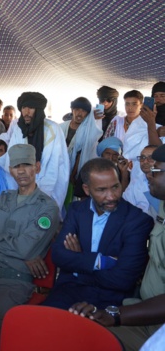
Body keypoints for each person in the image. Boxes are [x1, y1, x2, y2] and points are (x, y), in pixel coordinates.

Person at [69, 144, 165, 351]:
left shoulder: (136, 219)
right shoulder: (162, 207)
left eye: (156, 170)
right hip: (142, 310)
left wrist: (115, 314)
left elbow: (123, 277)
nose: (148, 173)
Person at [0, 144, 60, 351]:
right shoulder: (4, 199)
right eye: (16, 166)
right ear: (10, 170)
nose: (21, 171)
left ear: (37, 167)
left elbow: (25, 249)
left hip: (13, 282)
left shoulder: (47, 206)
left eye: (27, 165)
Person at [42, 158, 153, 310]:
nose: (111, 196)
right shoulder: (76, 210)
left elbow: (123, 279)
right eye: (101, 190)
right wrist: (100, 261)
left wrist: (77, 266)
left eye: (115, 187)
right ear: (87, 190)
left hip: (109, 300)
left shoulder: (138, 221)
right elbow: (58, 255)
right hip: (67, 292)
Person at [0, 91, 69, 209]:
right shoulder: (18, 128)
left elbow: (55, 164)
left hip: (46, 184)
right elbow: (12, 158)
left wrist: (43, 192)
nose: (26, 112)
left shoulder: (53, 129)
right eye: (23, 108)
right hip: (21, 183)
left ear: (38, 110)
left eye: (30, 108)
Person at [59, 97, 103, 205]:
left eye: (83, 111)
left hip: (74, 171)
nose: (79, 113)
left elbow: (81, 153)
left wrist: (73, 174)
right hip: (59, 167)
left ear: (88, 114)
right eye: (77, 109)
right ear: (72, 110)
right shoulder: (61, 127)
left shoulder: (89, 131)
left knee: (70, 199)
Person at [123, 145, 159, 219]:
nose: (145, 161)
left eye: (150, 158)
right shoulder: (136, 182)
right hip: (140, 224)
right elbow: (125, 207)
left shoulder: (162, 182)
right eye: (142, 158)